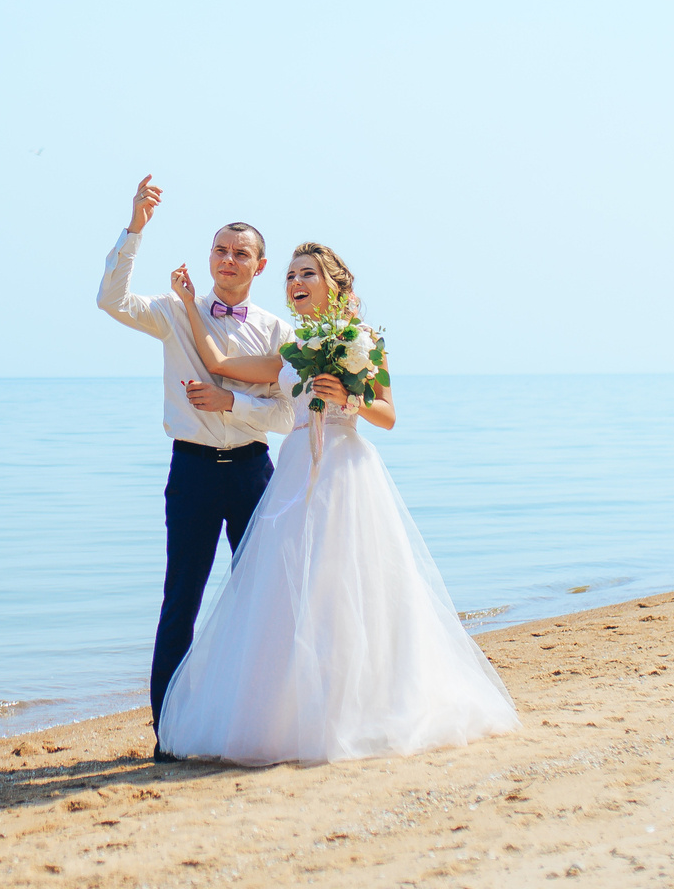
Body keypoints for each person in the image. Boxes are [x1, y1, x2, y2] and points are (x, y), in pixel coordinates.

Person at [154, 243, 517, 765]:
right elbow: (218, 360)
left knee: (351, 585)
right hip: (296, 467)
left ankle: (360, 707)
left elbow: (389, 415)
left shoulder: (365, 341)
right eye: (290, 275)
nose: (296, 283)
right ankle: (285, 713)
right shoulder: (291, 346)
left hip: (348, 471)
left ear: (334, 284)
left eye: (307, 274)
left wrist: (351, 399)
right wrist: (188, 303)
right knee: (285, 589)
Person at [96, 175, 294, 755]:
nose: (227, 260)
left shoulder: (279, 330)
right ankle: (169, 733)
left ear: (259, 266)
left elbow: (287, 417)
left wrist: (235, 403)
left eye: (240, 254)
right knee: (180, 598)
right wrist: (135, 227)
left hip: (255, 473)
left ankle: (253, 722)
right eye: (220, 250)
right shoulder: (173, 312)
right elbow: (110, 301)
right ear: (211, 257)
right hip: (192, 471)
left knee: (258, 597)